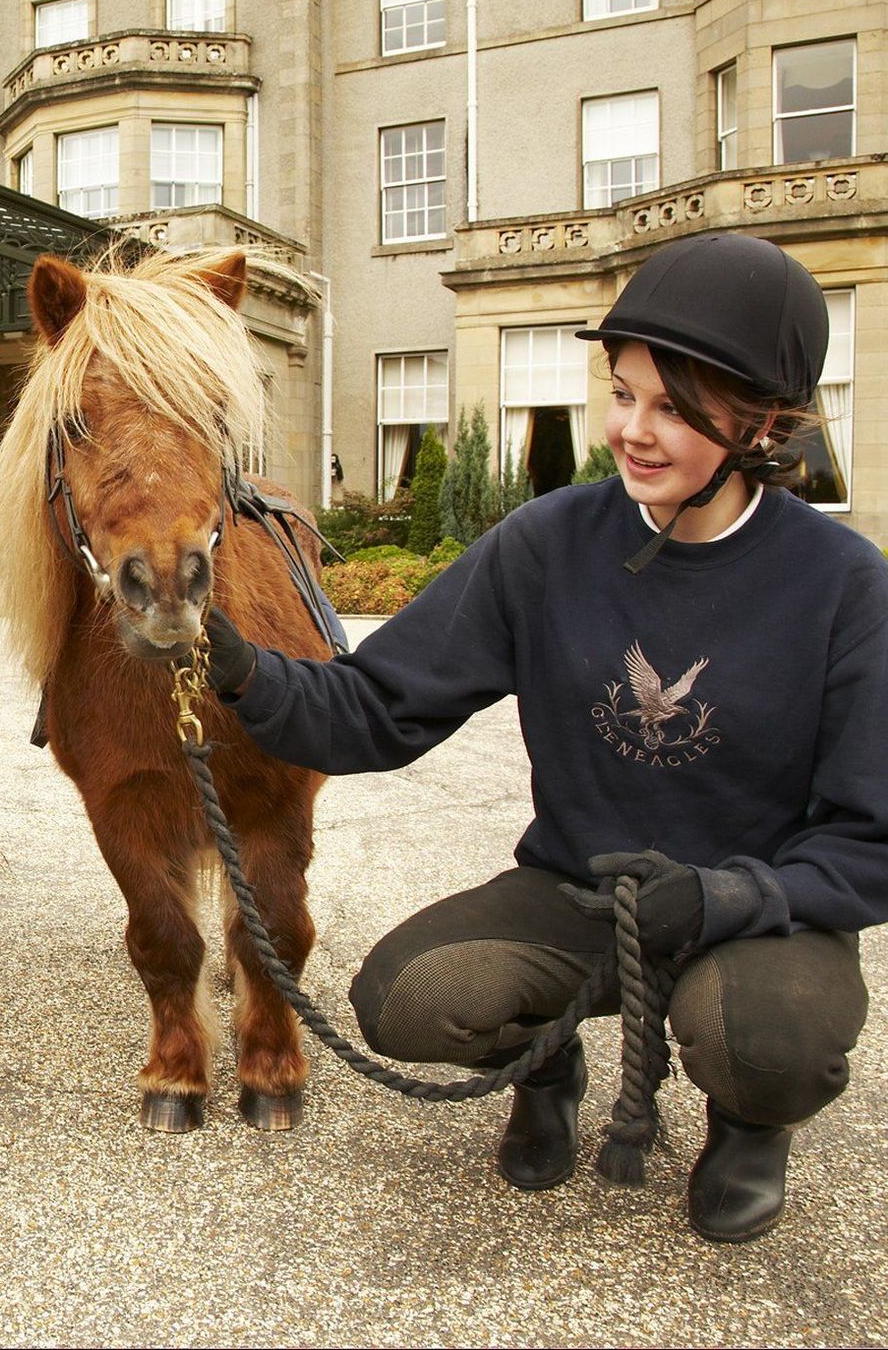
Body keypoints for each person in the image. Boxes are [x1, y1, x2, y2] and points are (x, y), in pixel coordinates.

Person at [202, 232, 881, 1243]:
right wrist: (240, 669)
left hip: (751, 905)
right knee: (406, 996)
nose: (629, 431)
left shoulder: (842, 585)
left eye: (672, 407)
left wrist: (728, 893)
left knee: (771, 1041)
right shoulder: (546, 543)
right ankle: (545, 1065)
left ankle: (745, 1122)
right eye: (621, 393)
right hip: (576, 888)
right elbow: (381, 705)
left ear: (762, 422)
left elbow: (869, 838)